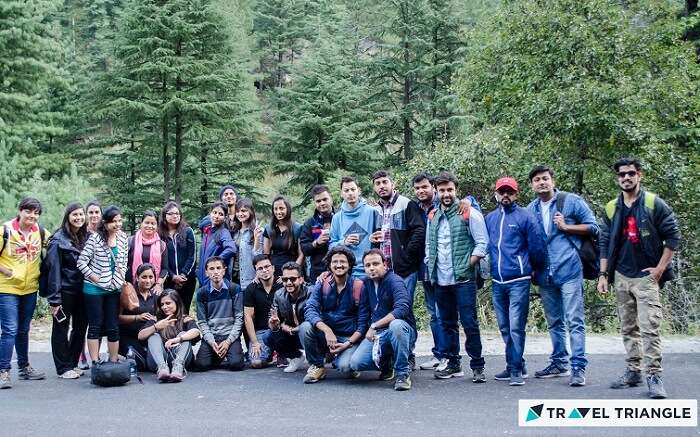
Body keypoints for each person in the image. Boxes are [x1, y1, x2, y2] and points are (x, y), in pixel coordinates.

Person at [598, 158, 680, 399]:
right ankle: (633, 370)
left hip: (646, 276)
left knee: (649, 327)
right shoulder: (612, 207)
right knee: (628, 327)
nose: (626, 177)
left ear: (639, 175)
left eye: (631, 173)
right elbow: (604, 242)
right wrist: (603, 274)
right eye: (622, 174)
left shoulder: (654, 203)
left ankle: (654, 376)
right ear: (618, 178)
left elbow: (673, 238)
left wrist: (659, 270)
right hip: (621, 275)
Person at [527, 165, 599, 387]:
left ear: (552, 180)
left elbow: (594, 228)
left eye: (545, 178)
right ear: (532, 185)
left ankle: (578, 366)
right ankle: (559, 361)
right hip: (544, 273)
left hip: (569, 269)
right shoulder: (531, 209)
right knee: (554, 321)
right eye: (537, 179)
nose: (542, 182)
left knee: (574, 319)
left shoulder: (571, 201)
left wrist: (567, 227)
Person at [424, 172, 488, 382]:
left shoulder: (467, 212)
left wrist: (467, 264)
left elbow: (482, 243)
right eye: (442, 190)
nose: (446, 194)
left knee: (470, 323)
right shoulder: (432, 216)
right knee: (447, 323)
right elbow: (428, 245)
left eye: (449, 190)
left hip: (464, 280)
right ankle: (453, 364)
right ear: (436, 191)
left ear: (455, 190)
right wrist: (429, 262)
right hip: (440, 281)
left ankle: (477, 366)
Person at [485, 177, 546, 386]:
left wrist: (535, 271)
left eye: (509, 192)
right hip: (497, 280)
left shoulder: (526, 217)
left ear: (516, 194)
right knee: (503, 326)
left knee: (516, 327)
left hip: (519, 279)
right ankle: (516, 363)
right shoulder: (490, 218)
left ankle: (515, 370)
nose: (505, 195)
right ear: (496, 194)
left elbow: (537, 247)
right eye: (502, 192)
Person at [0, 197, 50, 388]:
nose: (32, 216)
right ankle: (3, 371)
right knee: (10, 330)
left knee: (23, 329)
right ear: (20, 211)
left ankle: (24, 367)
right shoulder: (5, 231)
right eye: (28, 211)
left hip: (30, 287)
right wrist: (7, 271)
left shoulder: (41, 232)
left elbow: (58, 242)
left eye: (36, 213)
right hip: (7, 287)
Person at [349, 250, 416, 391]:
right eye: (368, 265)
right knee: (356, 363)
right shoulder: (366, 284)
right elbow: (363, 314)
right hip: (379, 334)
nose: (372, 268)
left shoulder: (395, 281)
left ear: (385, 264)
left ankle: (402, 374)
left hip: (402, 331)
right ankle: (388, 363)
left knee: (396, 325)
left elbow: (402, 308)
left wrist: (374, 325)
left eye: (375, 264)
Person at [301, 245, 365, 383]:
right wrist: (326, 329)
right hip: (326, 335)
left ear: (350, 264)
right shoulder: (323, 283)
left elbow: (363, 323)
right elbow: (310, 308)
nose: (339, 265)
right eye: (335, 262)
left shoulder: (358, 286)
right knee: (305, 327)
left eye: (343, 261)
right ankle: (317, 366)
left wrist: (348, 343)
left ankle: (342, 359)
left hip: (348, 336)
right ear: (329, 265)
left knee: (346, 368)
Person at [77, 205, 129, 365]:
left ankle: (113, 361)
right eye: (114, 221)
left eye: (119, 221)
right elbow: (81, 262)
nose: (117, 224)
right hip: (93, 289)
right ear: (105, 223)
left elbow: (124, 260)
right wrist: (94, 276)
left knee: (113, 326)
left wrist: (120, 279)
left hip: (113, 288)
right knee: (95, 325)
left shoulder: (123, 238)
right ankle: (95, 362)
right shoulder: (95, 238)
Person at [45, 202, 89, 379]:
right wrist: (54, 299)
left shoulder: (85, 236)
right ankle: (62, 367)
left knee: (80, 327)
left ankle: (72, 362)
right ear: (67, 217)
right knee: (61, 327)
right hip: (64, 291)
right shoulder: (58, 240)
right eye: (74, 215)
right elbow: (53, 270)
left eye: (81, 214)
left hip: (83, 290)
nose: (78, 218)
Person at [370, 171, 425, 300]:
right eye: (378, 183)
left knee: (403, 306)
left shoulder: (406, 204)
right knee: (387, 308)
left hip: (404, 269)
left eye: (385, 182)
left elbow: (419, 230)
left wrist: (406, 254)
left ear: (392, 184)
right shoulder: (375, 210)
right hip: (383, 270)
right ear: (374, 188)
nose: (381, 186)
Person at [194, 256, 245, 372]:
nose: (215, 272)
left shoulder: (234, 289)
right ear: (206, 272)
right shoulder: (202, 293)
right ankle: (218, 355)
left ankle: (227, 353)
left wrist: (228, 341)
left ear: (224, 270)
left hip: (229, 336)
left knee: (236, 364)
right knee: (201, 365)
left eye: (218, 268)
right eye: (211, 269)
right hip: (213, 336)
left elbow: (239, 318)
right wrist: (211, 342)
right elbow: (202, 321)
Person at [138, 289, 200, 382]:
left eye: (168, 303)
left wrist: (177, 339)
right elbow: (140, 336)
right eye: (162, 304)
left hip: (179, 359)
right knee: (153, 335)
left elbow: (196, 331)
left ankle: (178, 368)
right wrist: (156, 327)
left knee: (184, 335)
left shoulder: (185, 319)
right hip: (158, 361)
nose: (165, 307)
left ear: (177, 303)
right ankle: (162, 368)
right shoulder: (156, 319)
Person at [329, 176, 380, 279]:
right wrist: (344, 242)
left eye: (353, 189)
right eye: (346, 190)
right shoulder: (337, 217)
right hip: (346, 271)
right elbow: (331, 246)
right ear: (342, 194)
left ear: (359, 191)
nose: (350, 193)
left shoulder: (372, 212)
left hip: (369, 269)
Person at [268, 262, 309, 373]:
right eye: (285, 280)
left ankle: (316, 360)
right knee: (268, 336)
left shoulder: (311, 292)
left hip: (310, 333)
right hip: (292, 333)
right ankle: (296, 357)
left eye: (293, 279)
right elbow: (273, 317)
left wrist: (295, 329)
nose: (289, 283)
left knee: (306, 327)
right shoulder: (279, 295)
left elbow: (314, 319)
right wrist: (276, 324)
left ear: (301, 279)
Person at [243, 254, 282, 368]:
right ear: (256, 271)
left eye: (267, 266)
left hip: (281, 330)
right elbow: (248, 317)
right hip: (261, 331)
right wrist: (255, 342)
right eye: (260, 268)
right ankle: (269, 355)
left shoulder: (283, 284)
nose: (264, 270)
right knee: (256, 363)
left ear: (273, 268)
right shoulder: (251, 289)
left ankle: (280, 353)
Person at [118, 263, 157, 371]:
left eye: (151, 277)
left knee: (153, 363)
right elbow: (117, 318)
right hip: (128, 336)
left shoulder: (155, 295)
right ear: (137, 277)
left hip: (146, 337)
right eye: (144, 277)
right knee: (140, 364)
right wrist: (137, 317)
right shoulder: (128, 292)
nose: (148, 281)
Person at [160, 201, 197, 313]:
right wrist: (172, 276)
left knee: (184, 310)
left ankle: (185, 331)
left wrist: (183, 274)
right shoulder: (160, 234)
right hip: (169, 280)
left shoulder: (187, 231)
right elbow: (160, 258)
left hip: (187, 279)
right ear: (164, 215)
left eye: (177, 213)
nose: (175, 216)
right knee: (170, 310)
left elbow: (192, 255)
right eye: (171, 213)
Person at [126, 211, 169, 294]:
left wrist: (158, 285)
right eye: (147, 223)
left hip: (153, 289)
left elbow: (165, 269)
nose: (150, 226)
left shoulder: (162, 245)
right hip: (132, 288)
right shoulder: (130, 241)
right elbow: (124, 265)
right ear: (141, 224)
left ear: (157, 226)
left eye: (153, 223)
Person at [300, 185, 335, 283]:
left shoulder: (341, 218)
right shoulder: (310, 223)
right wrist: (316, 243)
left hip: (340, 268)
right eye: (318, 201)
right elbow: (304, 249)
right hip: (317, 272)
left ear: (331, 198)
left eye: (325, 199)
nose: (322, 203)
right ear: (314, 203)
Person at [197, 202, 236, 289]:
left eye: (220, 214)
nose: (217, 216)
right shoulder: (207, 231)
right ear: (210, 214)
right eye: (214, 212)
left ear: (225, 217)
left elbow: (231, 248)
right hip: (202, 279)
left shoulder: (223, 232)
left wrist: (216, 261)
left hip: (215, 280)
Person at [263, 195, 303, 278]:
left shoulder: (297, 228)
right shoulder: (269, 229)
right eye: (275, 209)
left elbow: (301, 255)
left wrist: (290, 274)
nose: (278, 212)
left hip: (292, 274)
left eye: (281, 208)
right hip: (274, 274)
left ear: (287, 209)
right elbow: (266, 255)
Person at [231, 198, 263, 290]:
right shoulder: (235, 232)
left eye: (243, 211)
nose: (240, 214)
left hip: (250, 278)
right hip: (234, 276)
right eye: (237, 211)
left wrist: (256, 239)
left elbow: (259, 257)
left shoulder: (257, 231)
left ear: (250, 212)